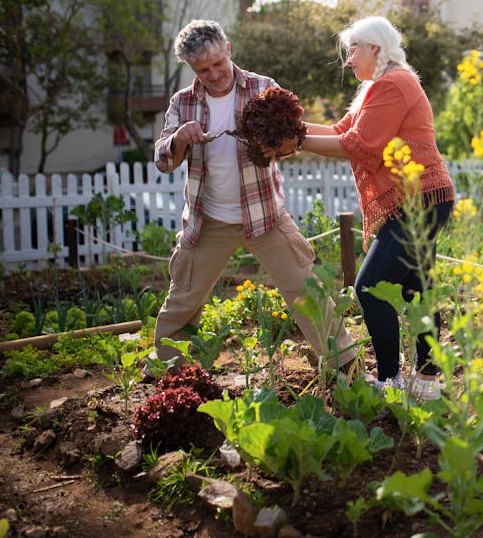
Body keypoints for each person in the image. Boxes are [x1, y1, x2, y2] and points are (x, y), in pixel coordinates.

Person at [265, 16, 455, 401]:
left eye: (353, 50)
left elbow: (360, 143)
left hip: (418, 201)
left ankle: (391, 380)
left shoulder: (395, 83)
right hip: (420, 199)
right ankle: (428, 379)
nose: (348, 59)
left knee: (369, 288)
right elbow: (340, 131)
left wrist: (294, 140)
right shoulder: (378, 87)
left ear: (375, 48)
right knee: (419, 288)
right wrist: (289, 126)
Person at [151, 19, 356, 376]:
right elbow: (163, 160)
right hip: (208, 221)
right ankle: (170, 376)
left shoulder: (264, 89)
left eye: (218, 64)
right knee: (183, 300)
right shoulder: (182, 103)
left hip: (265, 217)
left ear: (228, 50)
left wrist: (276, 143)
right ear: (191, 68)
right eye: (203, 70)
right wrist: (179, 138)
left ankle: (346, 368)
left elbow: (291, 143)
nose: (214, 74)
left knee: (307, 291)